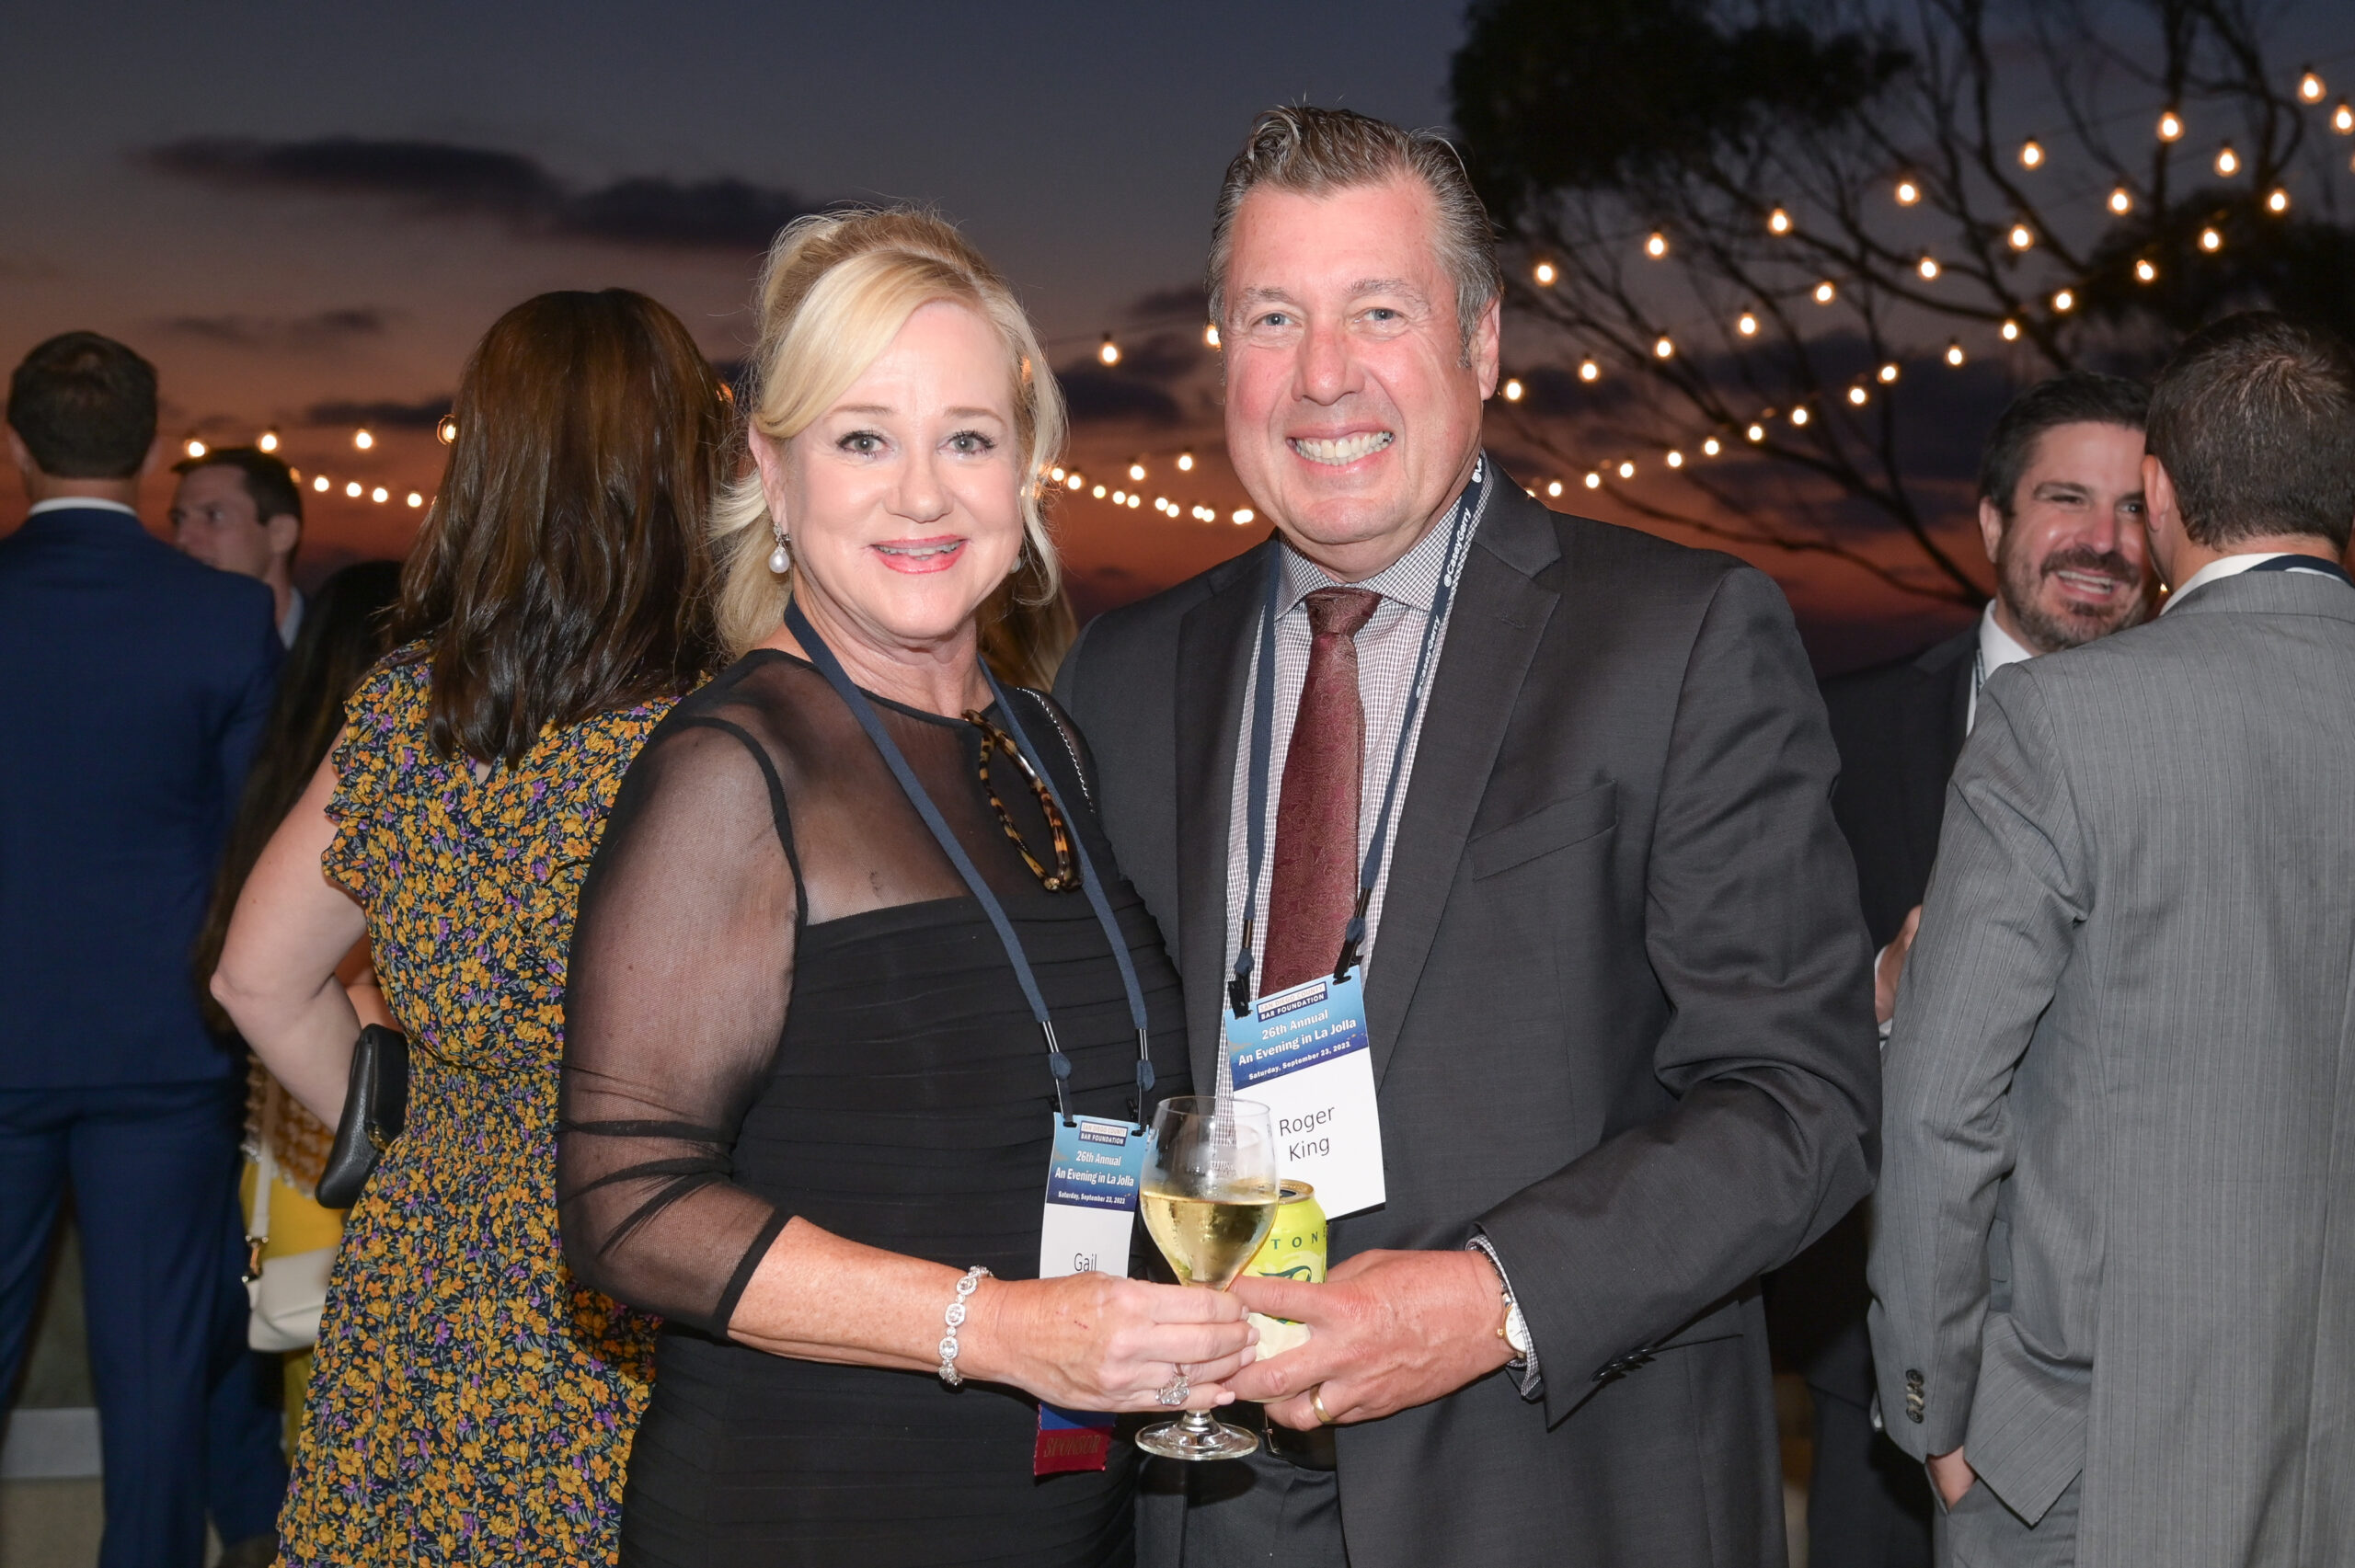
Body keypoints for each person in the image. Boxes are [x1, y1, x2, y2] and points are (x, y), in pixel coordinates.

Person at [1056, 106, 1880, 1568]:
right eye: (1273, 317)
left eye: (1380, 311)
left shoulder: (1678, 637)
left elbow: (1801, 1101)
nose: (1323, 377)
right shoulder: (1121, 677)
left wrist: (1486, 1296)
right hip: (1213, 1500)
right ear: (1220, 350)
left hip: (1556, 1484)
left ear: (1481, 343)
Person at [555, 208, 1235, 1567]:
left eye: (967, 439)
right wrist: (997, 1327)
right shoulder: (735, 770)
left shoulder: (1048, 746)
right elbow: (626, 1207)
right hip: (811, 1507)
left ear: (1027, 468)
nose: (921, 494)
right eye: (864, 438)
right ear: (774, 467)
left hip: (1061, 1512)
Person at [211, 290, 728, 1565]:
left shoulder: (408, 713)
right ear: (685, 470)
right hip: (664, 1261)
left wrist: (414, 1134)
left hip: (431, 1259)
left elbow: (257, 978)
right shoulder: (730, 731)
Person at [1867, 310, 2355, 1565]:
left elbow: (1938, 1105)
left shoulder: (2056, 722)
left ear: (2163, 495)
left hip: (2090, 1464)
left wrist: (1931, 1401)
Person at [1777, 372, 2154, 1568]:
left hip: (2129, 1379)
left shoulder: (2188, 743)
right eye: (2065, 498)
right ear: (1992, 521)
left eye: (2134, 507)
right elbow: (1740, 1011)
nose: (2101, 539)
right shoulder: (1837, 732)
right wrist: (1878, 999)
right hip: (1874, 1367)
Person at [0, 330, 281, 1568]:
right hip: (164, 1051)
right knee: (161, 1383)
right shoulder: (222, 620)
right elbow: (251, 851)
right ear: (149, 445)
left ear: (16, 450)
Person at [191, 560, 405, 1456]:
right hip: (360, 1154)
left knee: (320, 1446)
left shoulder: (285, 780)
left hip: (291, 1153)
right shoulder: (389, 776)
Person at [171, 444, 306, 645]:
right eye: (178, 519)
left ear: (281, 534)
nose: (182, 538)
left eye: (213, 516)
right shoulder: (170, 640)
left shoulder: (340, 650)